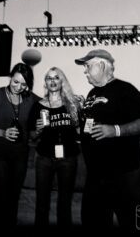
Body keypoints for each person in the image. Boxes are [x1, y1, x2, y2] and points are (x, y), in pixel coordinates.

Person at [74, 49, 140, 233]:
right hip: (95, 177)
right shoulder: (91, 94)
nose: (84, 71)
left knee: (134, 224)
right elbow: (89, 126)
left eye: (87, 66)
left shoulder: (125, 90)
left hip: (125, 176)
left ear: (102, 65)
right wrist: (80, 131)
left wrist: (115, 130)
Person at [0, 63, 40, 227]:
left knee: (13, 199)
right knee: (0, 198)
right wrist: (3, 133)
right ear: (10, 78)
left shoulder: (32, 99)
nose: (18, 87)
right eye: (15, 82)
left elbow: (51, 104)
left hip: (20, 157)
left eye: (23, 84)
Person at [29, 67, 81, 227]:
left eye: (56, 78)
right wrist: (37, 130)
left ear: (62, 81)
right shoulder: (38, 106)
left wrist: (78, 118)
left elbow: (80, 131)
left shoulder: (72, 104)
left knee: (64, 202)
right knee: (42, 202)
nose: (52, 81)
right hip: (44, 158)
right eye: (49, 78)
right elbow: (32, 136)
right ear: (45, 82)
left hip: (68, 158)